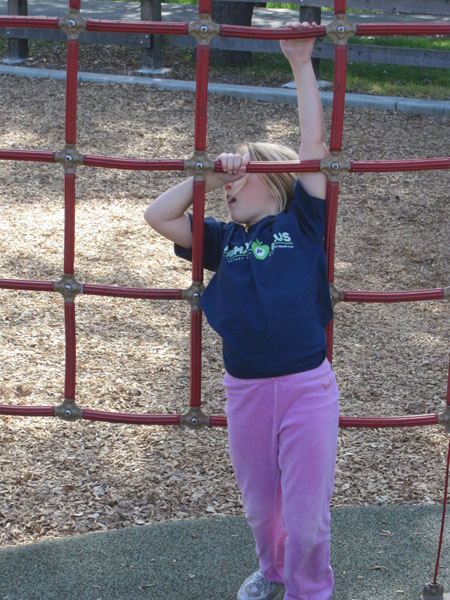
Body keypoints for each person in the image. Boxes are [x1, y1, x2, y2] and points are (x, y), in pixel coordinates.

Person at [144, 21, 339, 600]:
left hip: (306, 386)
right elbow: (158, 216)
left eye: (242, 175)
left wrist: (300, 64)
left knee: (307, 517)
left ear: (276, 182)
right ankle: (273, 571)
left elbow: (314, 147)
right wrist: (206, 175)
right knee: (261, 509)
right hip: (245, 389)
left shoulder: (302, 223)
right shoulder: (222, 239)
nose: (232, 187)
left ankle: (309, 590)